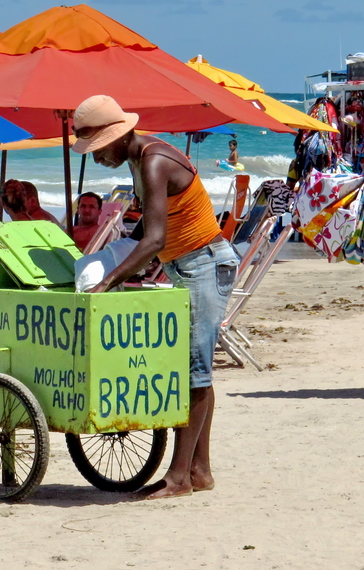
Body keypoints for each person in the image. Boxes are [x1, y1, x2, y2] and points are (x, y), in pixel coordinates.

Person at [72, 94, 239, 500]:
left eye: (96, 150)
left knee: (193, 371)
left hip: (204, 262)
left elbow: (155, 238)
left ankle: (179, 477)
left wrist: (110, 281)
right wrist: (105, 259)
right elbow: (145, 227)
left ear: (117, 137)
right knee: (196, 369)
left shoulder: (153, 160)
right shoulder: (137, 159)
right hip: (185, 264)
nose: (94, 160)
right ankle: (198, 470)